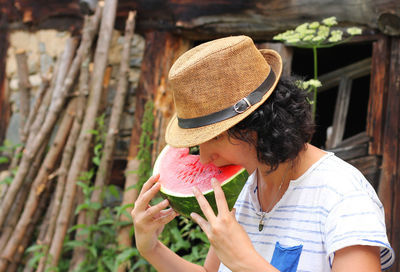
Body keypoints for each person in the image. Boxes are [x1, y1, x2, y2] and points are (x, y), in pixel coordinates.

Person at [131, 35, 394, 271]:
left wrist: (247, 264)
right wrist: (150, 248)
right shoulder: (249, 186)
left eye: (212, 138)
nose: (203, 158)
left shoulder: (343, 195)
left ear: (256, 125)